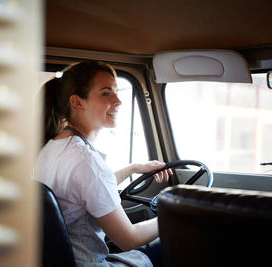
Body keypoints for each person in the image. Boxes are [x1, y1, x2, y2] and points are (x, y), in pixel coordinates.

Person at [34, 60, 172, 267]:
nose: (118, 101)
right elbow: (129, 239)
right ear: (78, 102)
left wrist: (133, 168)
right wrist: (172, 216)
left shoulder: (54, 146)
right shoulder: (85, 160)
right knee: (177, 243)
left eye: (116, 92)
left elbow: (84, 189)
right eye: (106, 93)